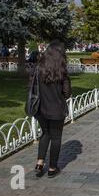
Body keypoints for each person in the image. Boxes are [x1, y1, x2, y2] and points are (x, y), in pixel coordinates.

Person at [30, 40, 71, 178]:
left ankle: (40, 163)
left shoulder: (38, 69)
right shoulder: (62, 71)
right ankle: (52, 167)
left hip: (41, 108)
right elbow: (67, 93)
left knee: (45, 134)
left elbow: (32, 87)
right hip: (57, 109)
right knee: (56, 137)